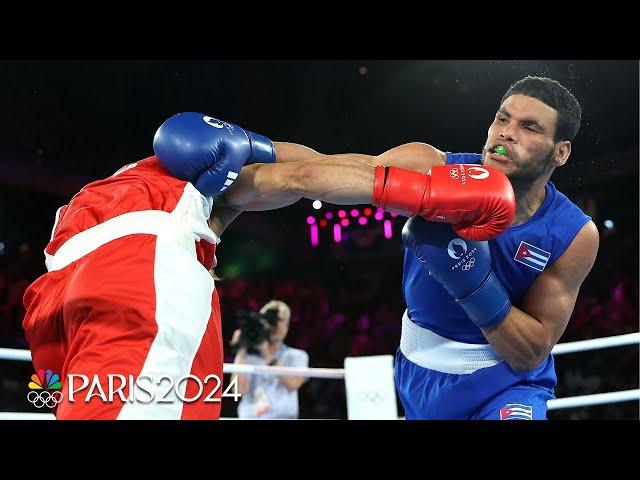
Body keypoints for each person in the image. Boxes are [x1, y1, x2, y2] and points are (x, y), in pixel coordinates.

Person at [22, 109, 508, 419]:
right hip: (142, 280)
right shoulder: (197, 189)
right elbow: (304, 174)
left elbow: (49, 381)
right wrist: (425, 193)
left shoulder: (110, 193)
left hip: (54, 289)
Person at [219, 76, 599, 420]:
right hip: (421, 373)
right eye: (502, 119)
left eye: (529, 127)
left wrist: (472, 282)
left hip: (507, 385)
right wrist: (238, 161)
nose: (507, 134)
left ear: (560, 152)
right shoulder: (431, 169)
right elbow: (315, 171)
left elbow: (530, 352)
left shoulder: (572, 233)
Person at [230, 300, 309, 419]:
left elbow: (293, 384)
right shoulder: (247, 357)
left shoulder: (297, 356)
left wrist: (267, 353)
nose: (275, 324)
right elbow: (238, 390)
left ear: (287, 326)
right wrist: (242, 348)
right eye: (270, 319)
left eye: (280, 320)